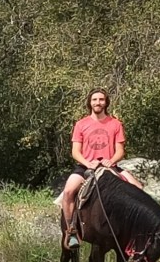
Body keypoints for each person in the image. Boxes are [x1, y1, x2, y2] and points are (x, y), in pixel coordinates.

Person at [61, 88, 144, 249]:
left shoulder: (115, 124)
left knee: (139, 189)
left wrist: (111, 160)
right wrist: (87, 162)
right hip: (85, 167)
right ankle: (71, 230)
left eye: (101, 99)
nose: (98, 102)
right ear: (89, 102)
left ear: (106, 102)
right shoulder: (81, 124)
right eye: (94, 100)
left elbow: (120, 150)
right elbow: (75, 151)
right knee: (69, 191)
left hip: (109, 167)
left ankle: (136, 234)